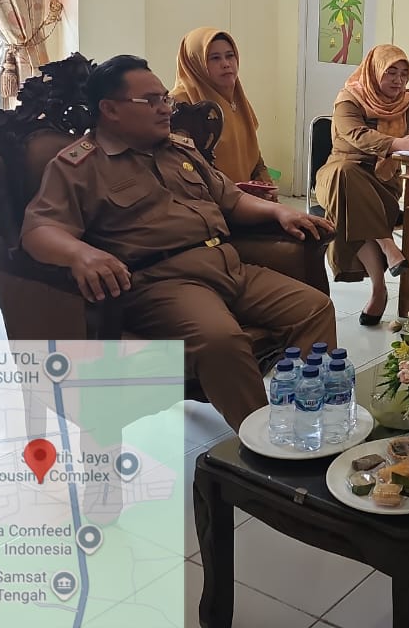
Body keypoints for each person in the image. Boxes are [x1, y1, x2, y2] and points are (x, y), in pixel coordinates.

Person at [22, 55, 337, 432]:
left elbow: (231, 199)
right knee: (222, 340)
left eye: (165, 99)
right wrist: (80, 254)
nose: (165, 108)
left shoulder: (180, 150)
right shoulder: (79, 165)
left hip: (229, 265)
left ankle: (309, 418)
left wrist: (279, 212)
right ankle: (263, 443)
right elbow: (39, 229)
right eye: (151, 101)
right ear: (110, 109)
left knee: (314, 309)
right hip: (165, 282)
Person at [314, 44, 409, 325]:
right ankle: (387, 250)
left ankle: (379, 286)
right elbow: (357, 135)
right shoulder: (349, 99)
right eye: (391, 72)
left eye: (404, 74)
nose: (398, 80)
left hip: (383, 181)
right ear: (374, 70)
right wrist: (403, 144)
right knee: (346, 175)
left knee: (353, 205)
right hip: (335, 175)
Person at [170, 27, 275, 197]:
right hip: (205, 202)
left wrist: (265, 186)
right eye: (215, 58)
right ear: (195, 63)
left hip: (244, 199)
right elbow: (183, 170)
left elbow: (255, 157)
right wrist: (237, 198)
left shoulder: (236, 100)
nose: (226, 64)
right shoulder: (180, 105)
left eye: (230, 56)